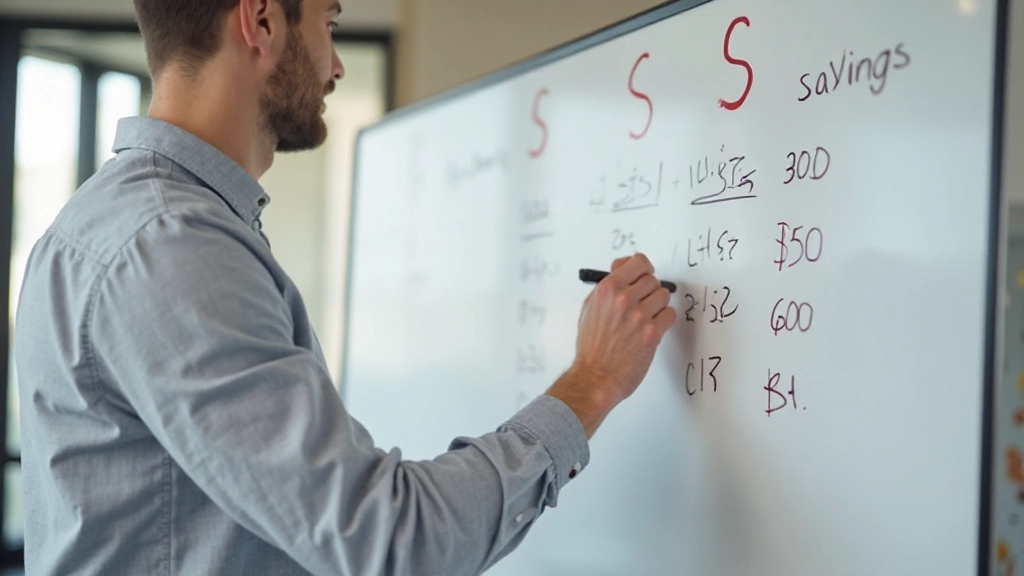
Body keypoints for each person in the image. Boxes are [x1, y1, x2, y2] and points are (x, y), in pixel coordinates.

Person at [13, 0, 678, 574]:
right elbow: (389, 543)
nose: (336, 65)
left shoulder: (127, 226)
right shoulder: (171, 248)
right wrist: (591, 384)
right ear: (262, 20)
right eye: (329, 22)